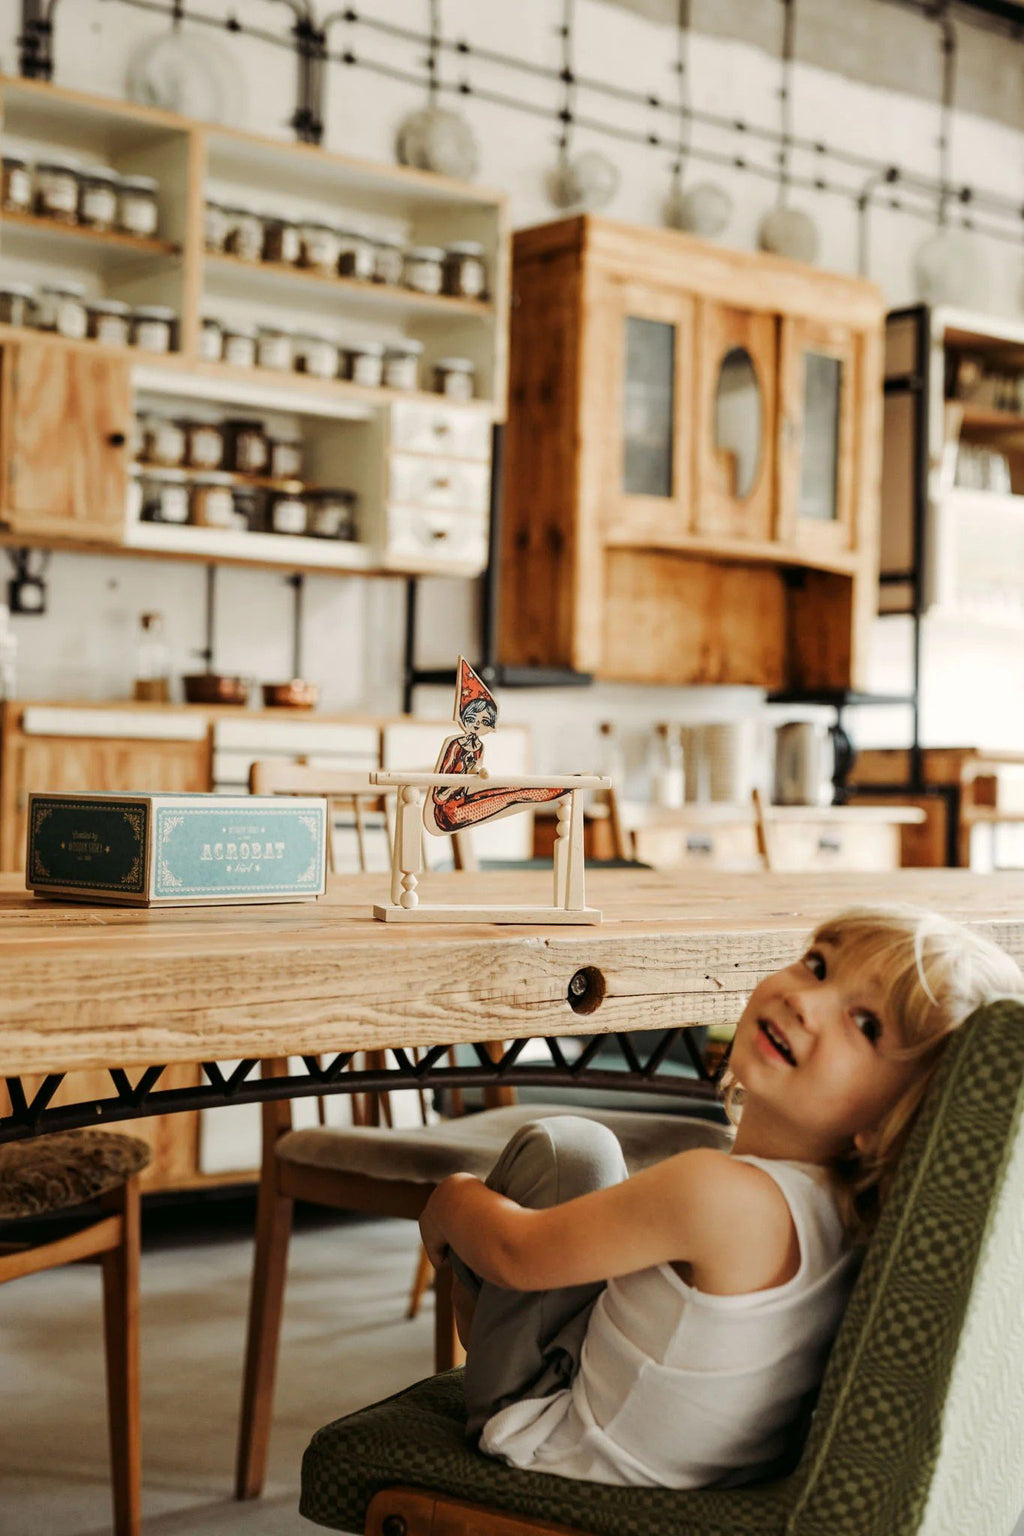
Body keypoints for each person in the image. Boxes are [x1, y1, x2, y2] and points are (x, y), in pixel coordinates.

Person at [418, 904, 1023, 1490]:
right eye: (817, 965)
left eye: (866, 1025)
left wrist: (453, 1198)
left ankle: (487, 1369)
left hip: (552, 1439)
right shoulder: (845, 1216)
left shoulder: (719, 1194)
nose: (805, 1001)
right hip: (709, 1465)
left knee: (568, 1151)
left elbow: (516, 1255)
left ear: (894, 1120)